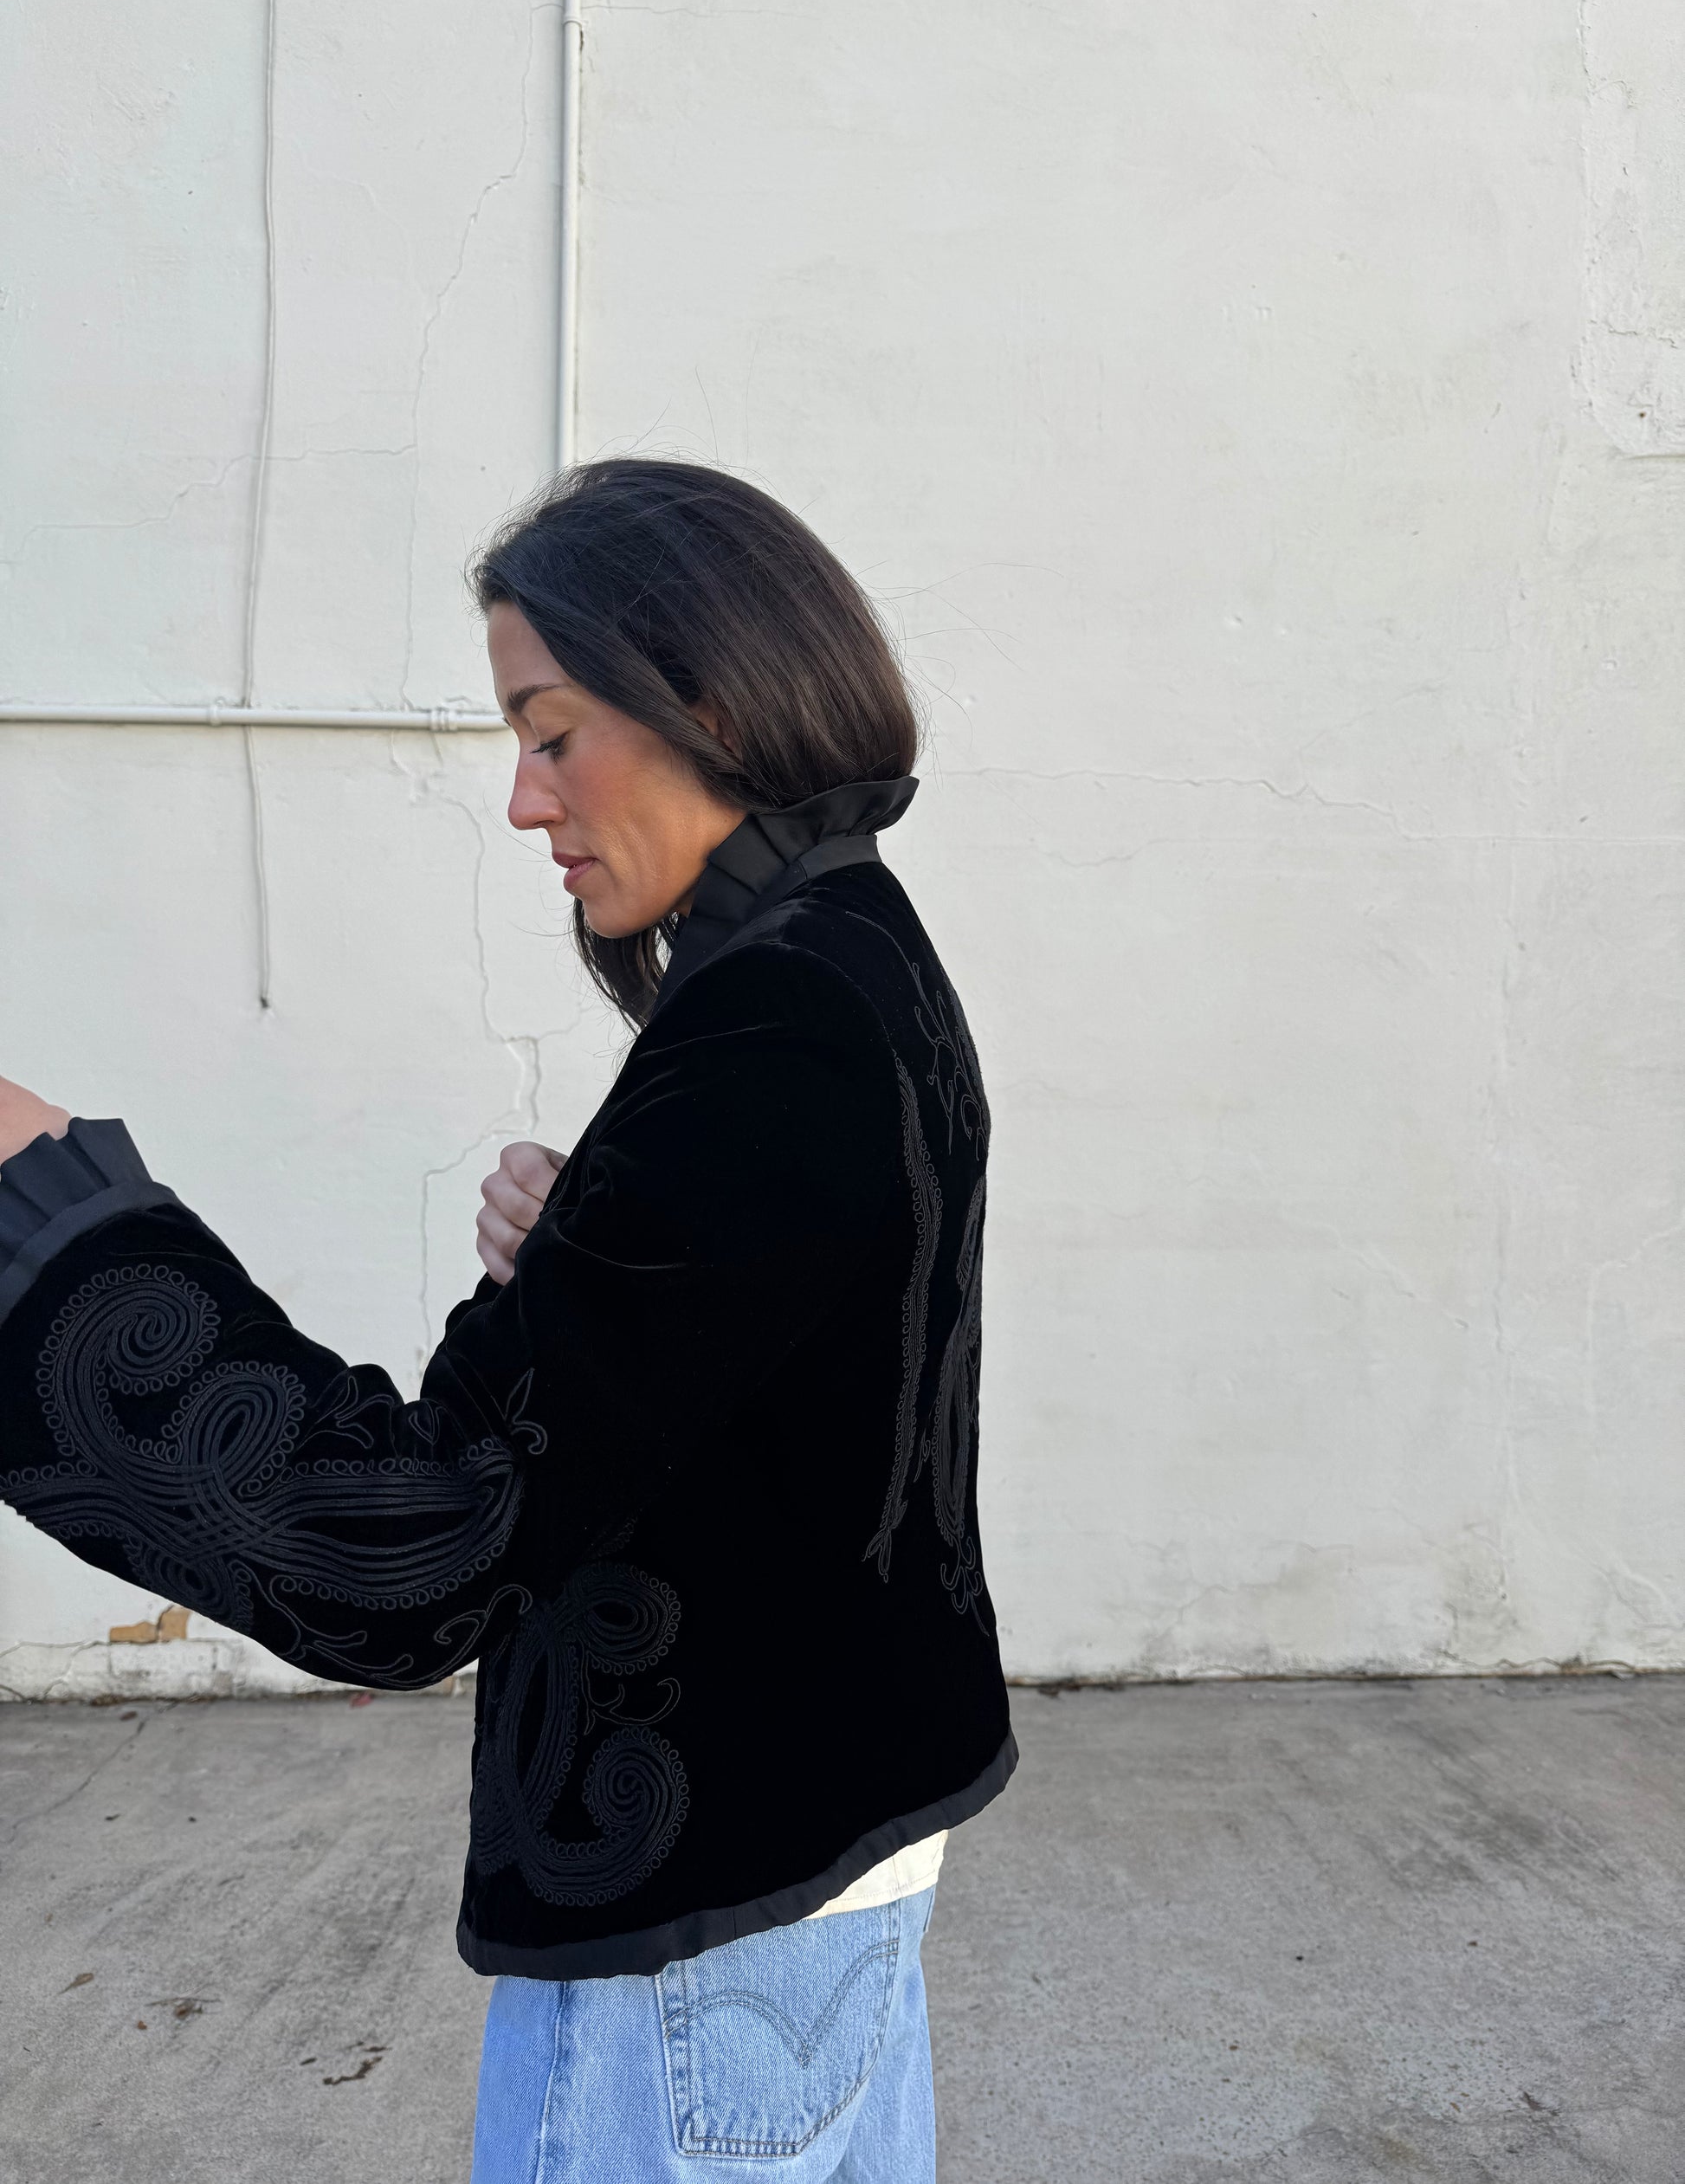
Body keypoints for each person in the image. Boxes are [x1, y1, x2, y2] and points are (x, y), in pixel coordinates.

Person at [0, 460, 1014, 2183]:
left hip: (701, 1936)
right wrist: (597, 1244)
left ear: (709, 702)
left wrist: (46, 1219)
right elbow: (822, 1327)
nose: (526, 800)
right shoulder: (849, 939)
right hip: (833, 1851)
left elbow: (411, 1549)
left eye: (551, 733)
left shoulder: (767, 1028)